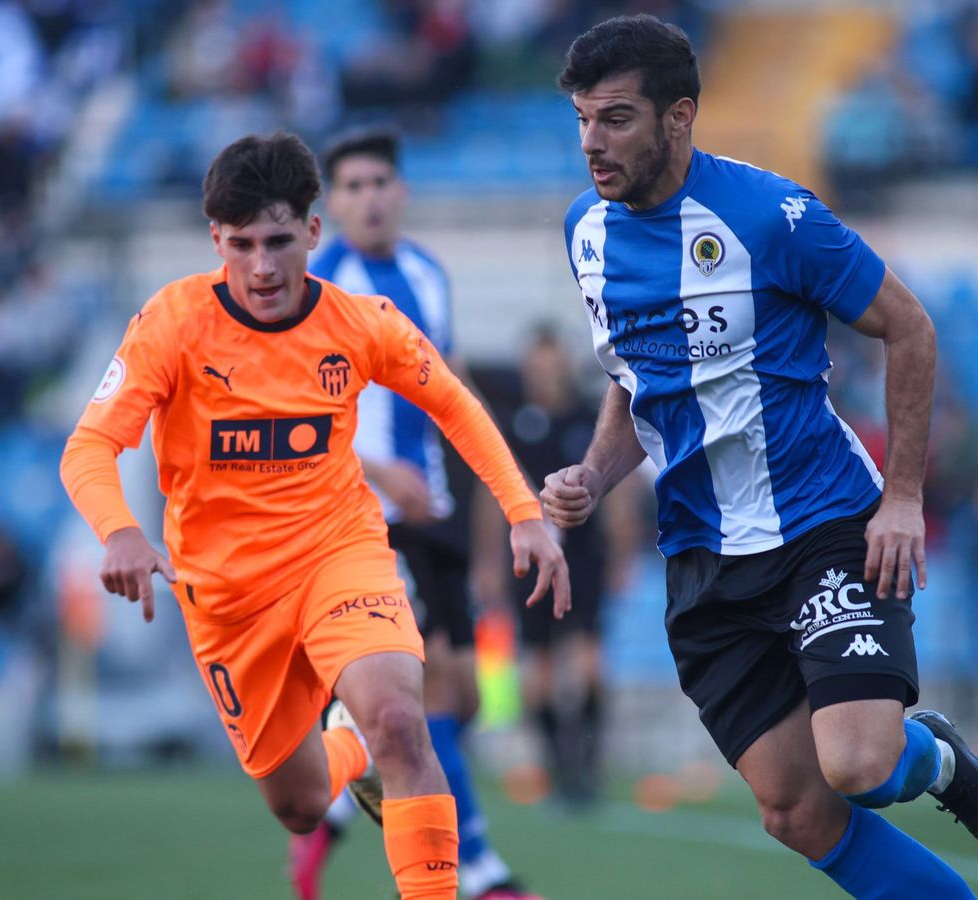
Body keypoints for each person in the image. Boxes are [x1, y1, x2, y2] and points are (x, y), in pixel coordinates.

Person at [538, 17, 978, 897]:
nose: (591, 143)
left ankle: (936, 760)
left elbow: (909, 328)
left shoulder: (772, 216)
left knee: (859, 764)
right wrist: (593, 475)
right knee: (796, 811)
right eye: (582, 120)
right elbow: (633, 377)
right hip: (702, 555)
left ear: (679, 117)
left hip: (821, 524)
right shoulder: (586, 233)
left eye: (615, 119)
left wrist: (903, 498)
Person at [59, 132, 569, 900]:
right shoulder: (173, 322)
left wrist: (522, 511)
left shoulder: (359, 322)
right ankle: (347, 748)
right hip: (228, 596)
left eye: (278, 241)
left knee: (401, 719)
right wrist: (120, 530)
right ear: (216, 240)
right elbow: (89, 446)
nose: (261, 266)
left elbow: (454, 402)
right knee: (299, 805)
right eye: (241, 245)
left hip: (340, 554)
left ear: (312, 232)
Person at [288, 127, 539, 900]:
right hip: (364, 518)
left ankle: (336, 798)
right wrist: (380, 470)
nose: (369, 199)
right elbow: (290, 415)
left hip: (435, 512)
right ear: (331, 204)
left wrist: (499, 497)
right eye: (352, 186)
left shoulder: (428, 274)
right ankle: (482, 873)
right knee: (431, 698)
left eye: (379, 183)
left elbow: (449, 386)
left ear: (400, 191)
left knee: (464, 695)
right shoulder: (317, 285)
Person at [485, 327, 628, 810]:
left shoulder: (588, 419)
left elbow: (616, 483)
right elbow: (491, 494)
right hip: (529, 559)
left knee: (589, 663)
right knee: (539, 669)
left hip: (585, 556)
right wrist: (488, 562)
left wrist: (621, 549)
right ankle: (558, 770)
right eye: (536, 367)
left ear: (564, 367)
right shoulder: (514, 425)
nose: (543, 375)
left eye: (550, 366)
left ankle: (587, 767)